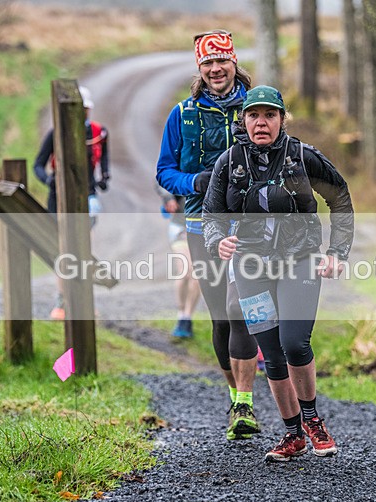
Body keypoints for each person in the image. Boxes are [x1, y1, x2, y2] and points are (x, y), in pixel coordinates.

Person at [202, 85, 355, 462]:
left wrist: (337, 251)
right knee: (270, 352)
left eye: (270, 115)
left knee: (294, 342)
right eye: (254, 115)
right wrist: (217, 240)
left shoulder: (303, 156)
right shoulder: (229, 162)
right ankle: (292, 435)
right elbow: (211, 214)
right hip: (250, 266)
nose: (261, 122)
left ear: (282, 119)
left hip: (299, 259)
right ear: (243, 120)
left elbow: (340, 197)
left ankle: (312, 420)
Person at [156, 30, 261, 440]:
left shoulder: (256, 108)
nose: (216, 69)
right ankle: (235, 398)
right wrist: (194, 182)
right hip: (201, 224)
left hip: (250, 223)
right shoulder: (181, 115)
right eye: (207, 63)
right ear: (199, 68)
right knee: (221, 316)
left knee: (241, 309)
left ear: (234, 63)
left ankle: (246, 402)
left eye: (222, 61)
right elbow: (164, 171)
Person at [34, 86, 110, 320]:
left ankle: (84, 302)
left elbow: (104, 162)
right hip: (58, 199)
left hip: (87, 197)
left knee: (83, 249)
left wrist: (104, 177)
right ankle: (62, 300)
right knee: (63, 250)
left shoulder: (98, 132)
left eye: (84, 109)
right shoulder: (56, 134)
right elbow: (38, 165)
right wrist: (48, 180)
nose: (82, 113)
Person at [157, 186, 201, 338]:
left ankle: (186, 318)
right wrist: (168, 198)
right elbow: (161, 180)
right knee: (184, 271)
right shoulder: (184, 169)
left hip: (204, 228)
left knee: (197, 275)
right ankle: (181, 313)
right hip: (180, 226)